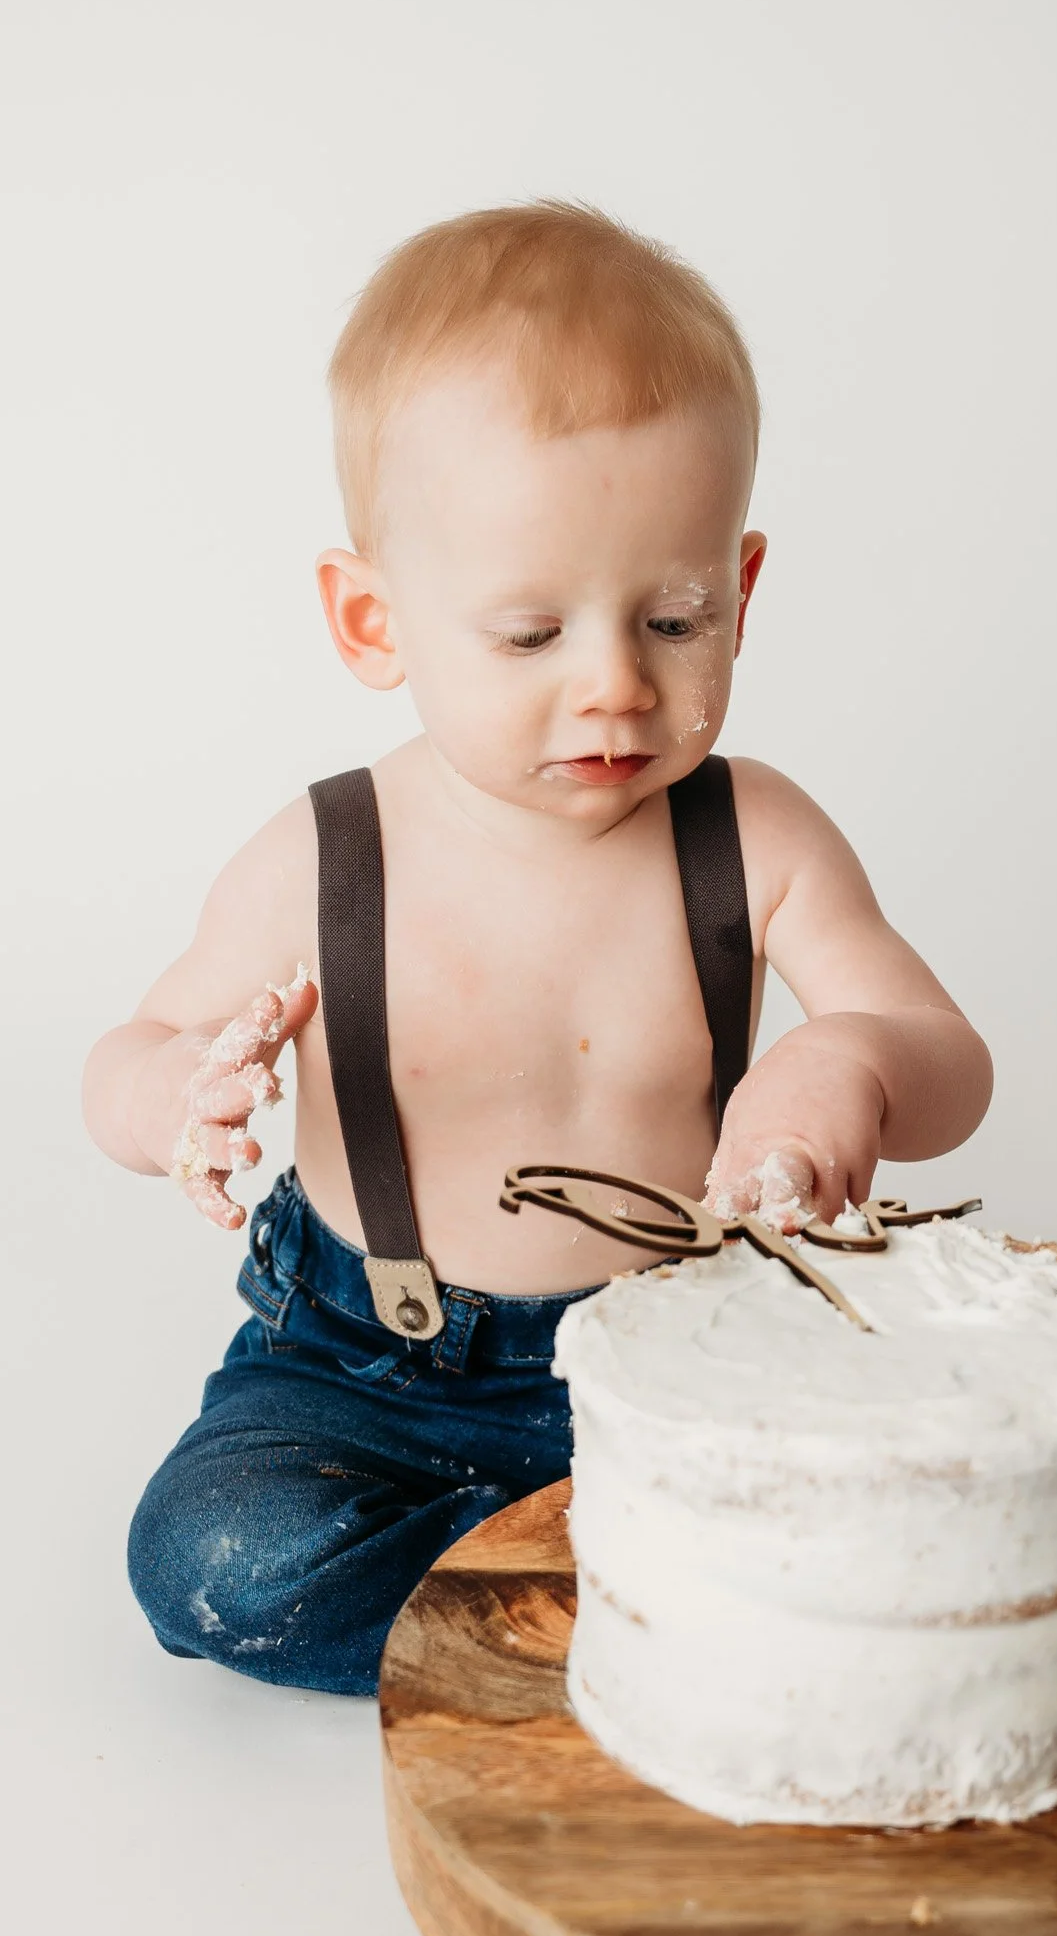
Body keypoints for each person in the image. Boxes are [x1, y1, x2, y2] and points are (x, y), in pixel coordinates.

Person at [81, 201, 993, 1695]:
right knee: (213, 1557)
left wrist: (852, 1063)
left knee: (942, 1500)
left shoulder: (751, 836)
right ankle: (630, 1601)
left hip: (681, 1356)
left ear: (743, 592)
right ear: (373, 621)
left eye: (676, 619)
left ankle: (574, 1589)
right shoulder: (327, 855)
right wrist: (177, 1090)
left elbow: (952, 1065)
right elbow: (115, 1063)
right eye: (528, 636)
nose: (616, 690)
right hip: (362, 1371)